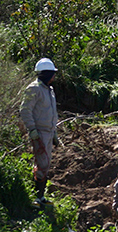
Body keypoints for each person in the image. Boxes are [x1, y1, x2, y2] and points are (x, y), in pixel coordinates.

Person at [20, 58, 60, 208]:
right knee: (42, 163)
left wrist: (54, 132)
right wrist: (32, 130)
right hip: (40, 132)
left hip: (48, 132)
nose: (54, 77)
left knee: (46, 164)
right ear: (46, 74)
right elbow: (25, 110)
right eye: (52, 73)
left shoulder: (49, 90)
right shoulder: (33, 89)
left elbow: (52, 112)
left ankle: (41, 197)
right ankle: (37, 198)